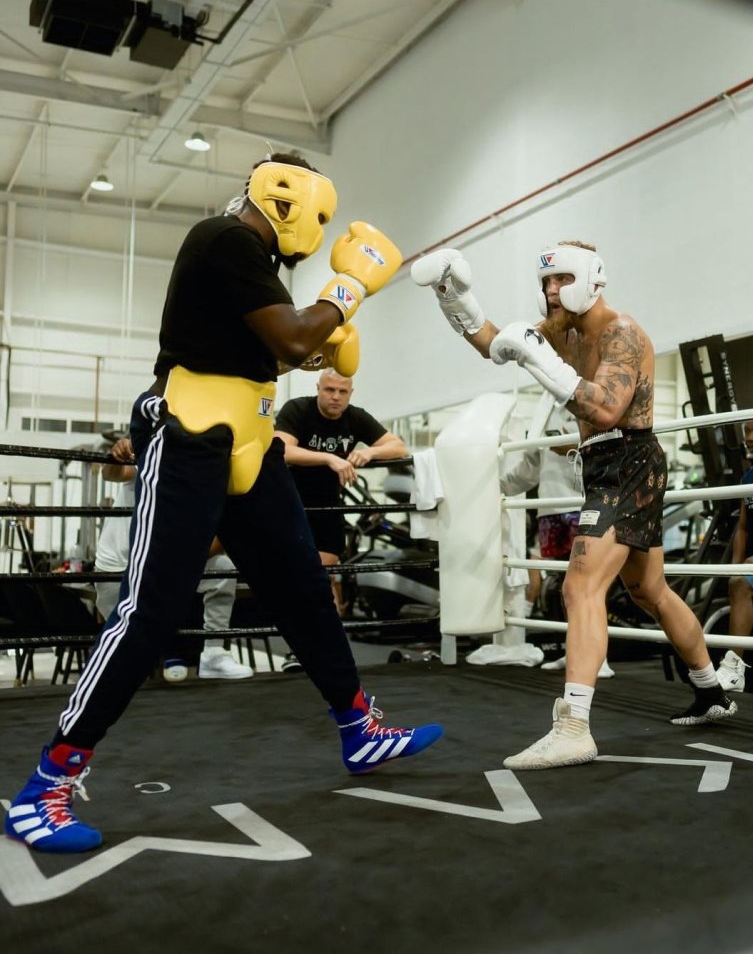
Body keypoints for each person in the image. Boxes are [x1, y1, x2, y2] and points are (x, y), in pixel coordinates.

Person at [4, 151, 442, 854]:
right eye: (318, 212)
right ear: (283, 194)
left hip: (250, 438)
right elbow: (296, 333)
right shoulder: (224, 239)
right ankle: (44, 786)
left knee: (302, 586)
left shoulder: (255, 269)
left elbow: (278, 353)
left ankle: (361, 729)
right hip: (190, 435)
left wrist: (323, 343)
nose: (318, 228)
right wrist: (347, 292)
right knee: (149, 611)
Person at [411, 240, 736, 770]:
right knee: (649, 588)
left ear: (591, 278)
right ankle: (712, 689)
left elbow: (608, 409)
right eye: (545, 282)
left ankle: (573, 727)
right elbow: (496, 343)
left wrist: (538, 356)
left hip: (628, 460)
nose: (550, 291)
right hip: (606, 465)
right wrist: (454, 295)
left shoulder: (621, 333)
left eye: (561, 280)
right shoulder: (564, 331)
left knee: (581, 586)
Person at [274, 368, 409, 670]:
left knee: (325, 578)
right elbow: (281, 449)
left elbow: (399, 446)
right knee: (298, 579)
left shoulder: (356, 417)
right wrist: (329, 458)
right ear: (318, 388)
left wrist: (370, 453)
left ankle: (325, 650)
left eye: (342, 392)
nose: (335, 397)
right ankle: (300, 651)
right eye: (329, 390)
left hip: (327, 507)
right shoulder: (298, 408)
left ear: (350, 393)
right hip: (291, 504)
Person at [95, 436, 253, 682]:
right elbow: (113, 474)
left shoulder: (207, 478)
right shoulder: (156, 454)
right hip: (119, 569)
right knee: (127, 656)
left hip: (161, 566)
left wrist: (185, 558)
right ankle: (163, 652)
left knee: (221, 566)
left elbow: (221, 536)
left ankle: (212, 652)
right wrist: (116, 456)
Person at [500, 395, 614, 679]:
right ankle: (574, 651)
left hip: (585, 504)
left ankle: (600, 659)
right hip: (550, 510)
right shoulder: (542, 408)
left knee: (591, 585)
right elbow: (529, 467)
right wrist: (493, 484)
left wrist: (570, 443)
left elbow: (607, 446)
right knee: (566, 587)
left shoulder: (592, 399)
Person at [715, 417, 753, 693]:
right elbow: (744, 527)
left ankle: (733, 667)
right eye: (747, 430)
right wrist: (735, 567)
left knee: (743, 583)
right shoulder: (749, 477)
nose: (750, 437)